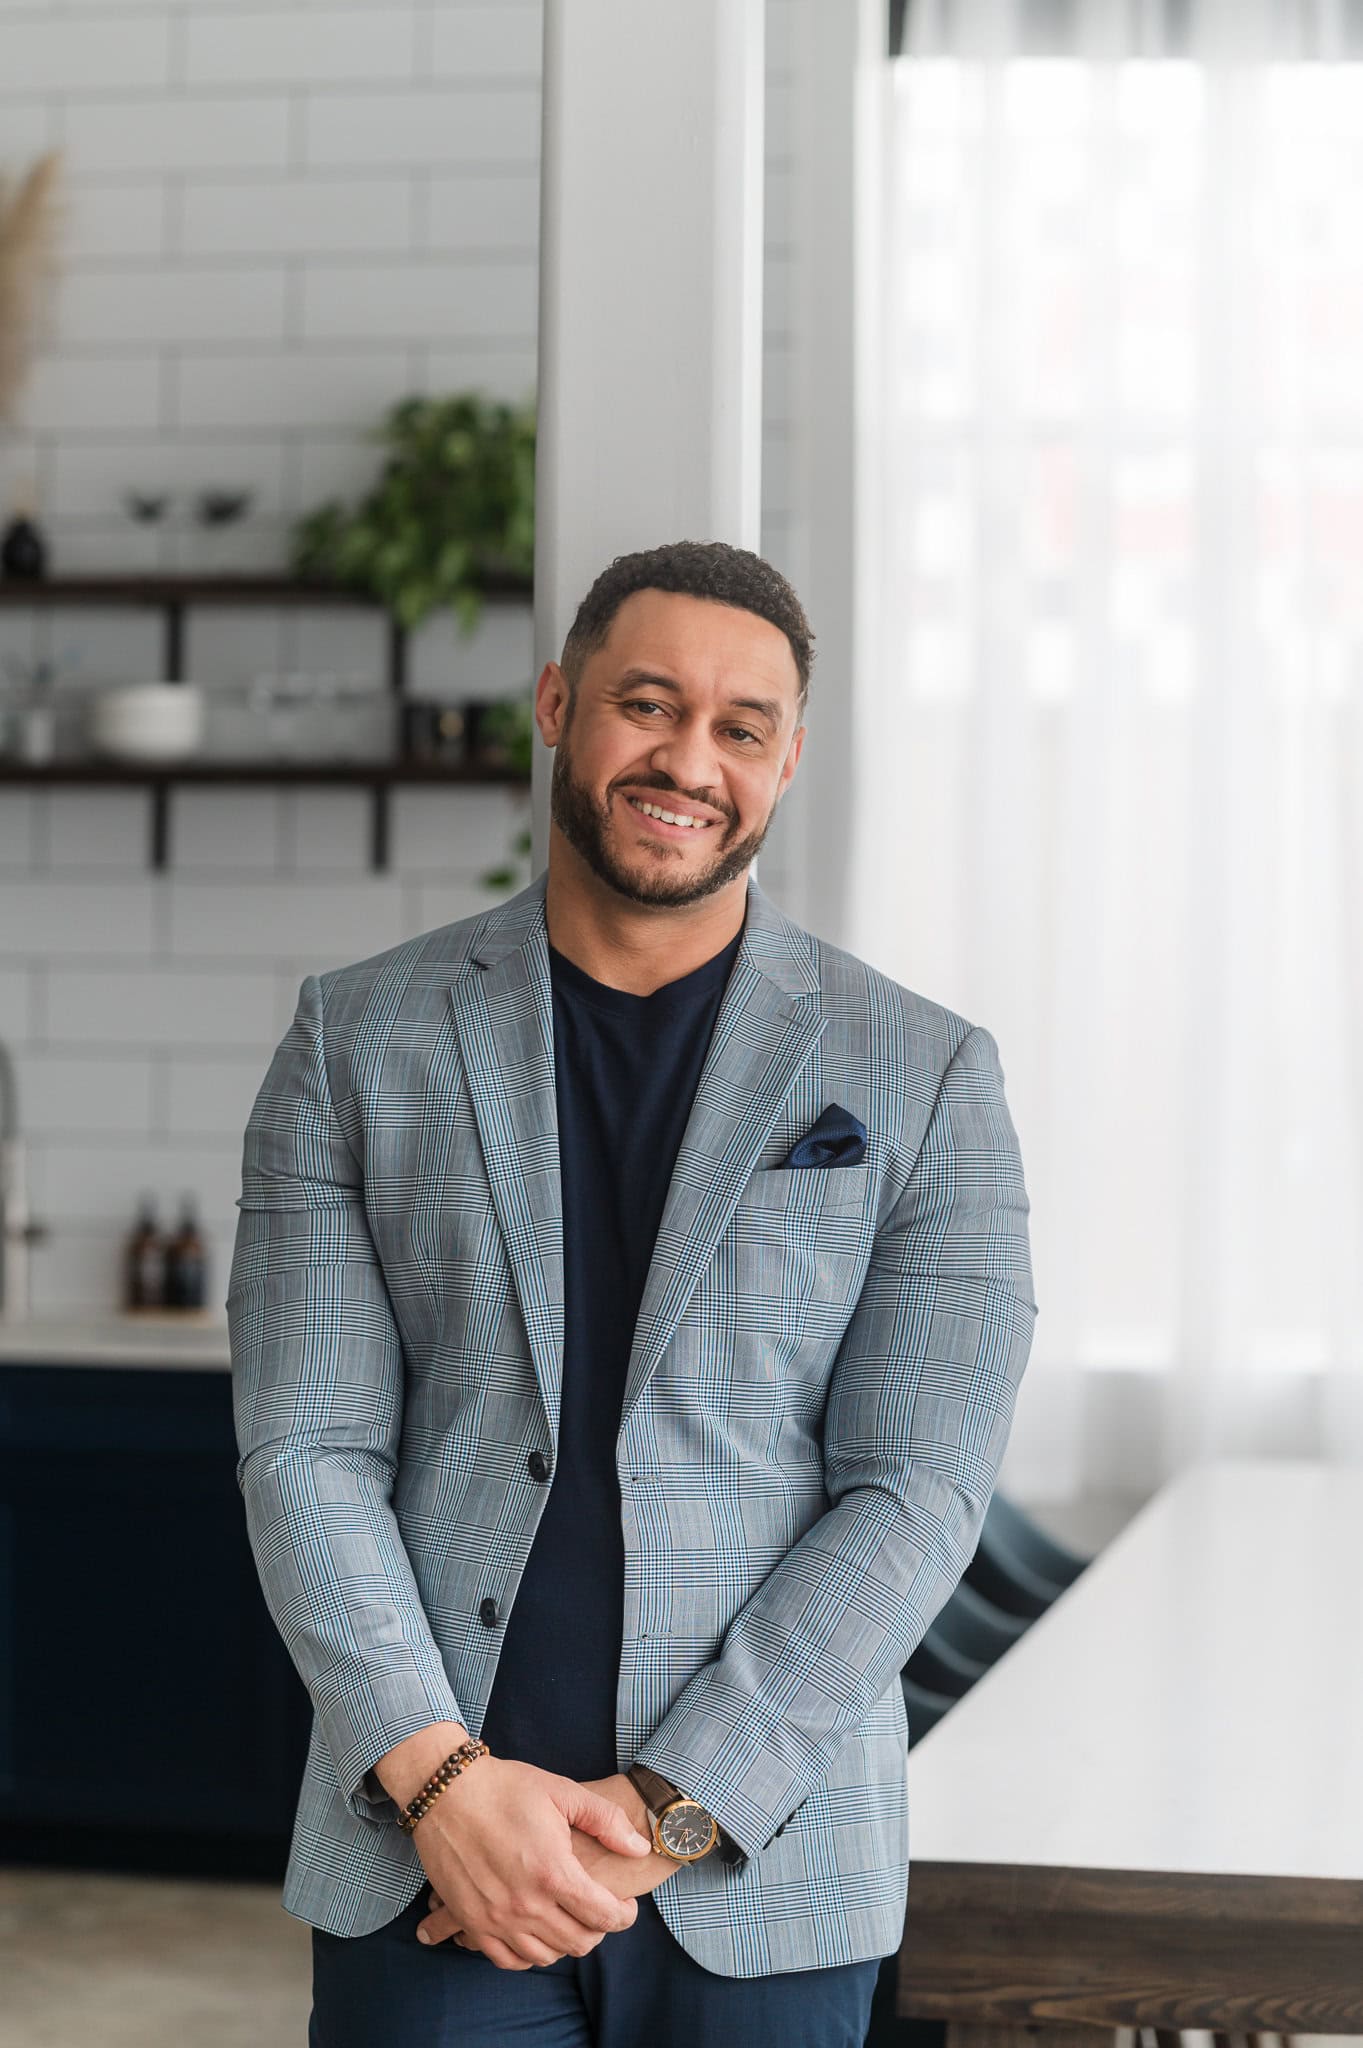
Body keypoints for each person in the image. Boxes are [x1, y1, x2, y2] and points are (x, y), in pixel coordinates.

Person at [228, 539, 1038, 2048]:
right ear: (558, 705)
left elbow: (915, 1492)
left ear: (789, 761)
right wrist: (444, 1782)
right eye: (645, 705)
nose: (688, 759)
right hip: (436, 1854)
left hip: (767, 1858)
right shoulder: (355, 1041)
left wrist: (664, 1812)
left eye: (740, 726)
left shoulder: (924, 1075)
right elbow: (306, 1452)